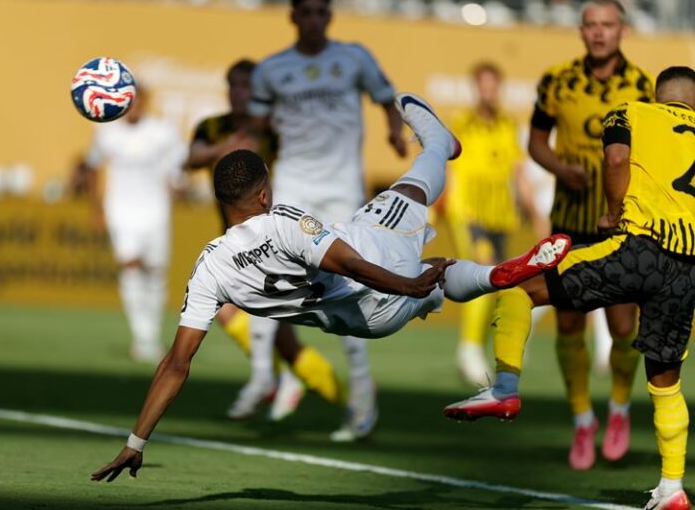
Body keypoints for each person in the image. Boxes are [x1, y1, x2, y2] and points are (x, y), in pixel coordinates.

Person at [91, 93, 571, 484]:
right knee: (411, 191)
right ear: (263, 194)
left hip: (369, 323)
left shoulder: (209, 268)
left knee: (440, 276)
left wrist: (136, 443)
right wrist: (406, 283)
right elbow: (352, 263)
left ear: (221, 201)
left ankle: (481, 276)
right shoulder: (281, 221)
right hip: (380, 266)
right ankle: (442, 156)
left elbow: (177, 364)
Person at [445, 67, 695, 510]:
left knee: (521, 285)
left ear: (659, 96)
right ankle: (672, 487)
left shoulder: (634, 112)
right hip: (687, 266)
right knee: (664, 380)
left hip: (639, 246)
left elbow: (616, 160)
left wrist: (612, 212)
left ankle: (504, 386)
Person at [248, 0, 407, 442]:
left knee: (352, 290)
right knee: (270, 276)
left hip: (341, 191)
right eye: (307, 12)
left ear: (329, 17)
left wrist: (395, 130)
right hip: (294, 186)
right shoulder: (271, 70)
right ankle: (265, 376)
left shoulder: (353, 58)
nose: (315, 20)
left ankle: (360, 399)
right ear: (294, 16)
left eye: (322, 11)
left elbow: (385, 98)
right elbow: (257, 129)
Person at [525, 0, 654, 470]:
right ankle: (583, 419)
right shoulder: (557, 80)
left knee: (624, 327)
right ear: (580, 31)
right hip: (568, 222)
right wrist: (560, 166)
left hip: (620, 222)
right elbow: (536, 141)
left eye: (608, 24)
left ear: (622, 30)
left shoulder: (641, 87)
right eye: (591, 25)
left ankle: (619, 409)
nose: (599, 33)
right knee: (569, 324)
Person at [187, 58, 343, 422]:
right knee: (271, 333)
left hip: (277, 239)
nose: (240, 93)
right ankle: (301, 384)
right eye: (234, 85)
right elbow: (191, 158)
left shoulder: (274, 128)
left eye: (247, 86)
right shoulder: (212, 127)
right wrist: (221, 149)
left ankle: (274, 380)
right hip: (236, 237)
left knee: (244, 314)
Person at [446, 62, 536, 385]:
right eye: (482, 85)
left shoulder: (508, 124)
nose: (488, 92)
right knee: (483, 269)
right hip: (469, 213)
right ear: (475, 87)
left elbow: (518, 170)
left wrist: (534, 210)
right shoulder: (462, 122)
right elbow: (448, 165)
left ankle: (477, 348)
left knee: (497, 282)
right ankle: (469, 350)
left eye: (493, 86)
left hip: (501, 215)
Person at [85, 86, 187, 362]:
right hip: (121, 211)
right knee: (130, 266)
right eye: (128, 100)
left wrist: (177, 184)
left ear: (145, 101)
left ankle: (152, 334)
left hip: (155, 211)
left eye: (138, 99)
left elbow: (180, 165)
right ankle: (142, 337)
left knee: (154, 272)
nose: (134, 105)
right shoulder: (107, 132)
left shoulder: (163, 132)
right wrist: (97, 208)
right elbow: (92, 166)